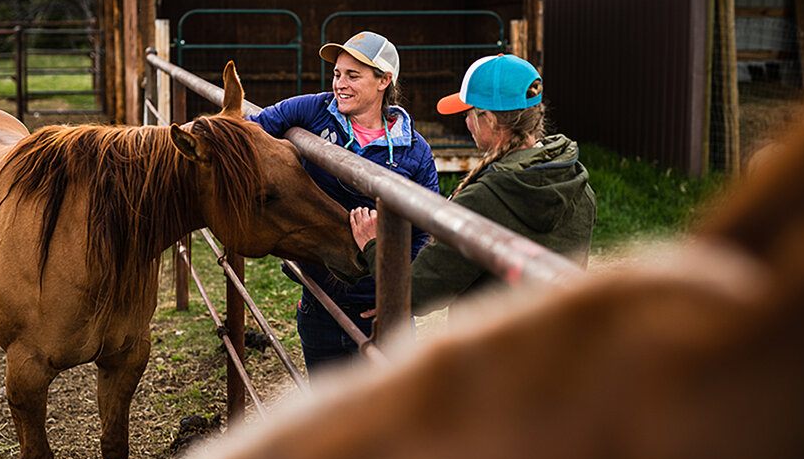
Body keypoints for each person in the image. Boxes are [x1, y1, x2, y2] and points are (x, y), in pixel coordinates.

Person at [248, 31, 439, 374]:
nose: (340, 84)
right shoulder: (314, 110)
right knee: (329, 412)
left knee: (389, 415)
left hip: (383, 312)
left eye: (353, 75)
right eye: (337, 74)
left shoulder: (414, 150)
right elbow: (254, 131)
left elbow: (423, 232)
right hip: (319, 303)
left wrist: (396, 296)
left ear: (384, 80)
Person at [350, 53, 596, 316]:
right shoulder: (574, 178)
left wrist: (374, 245)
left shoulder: (485, 199)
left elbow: (415, 294)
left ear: (488, 119)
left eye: (468, 113)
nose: (466, 122)